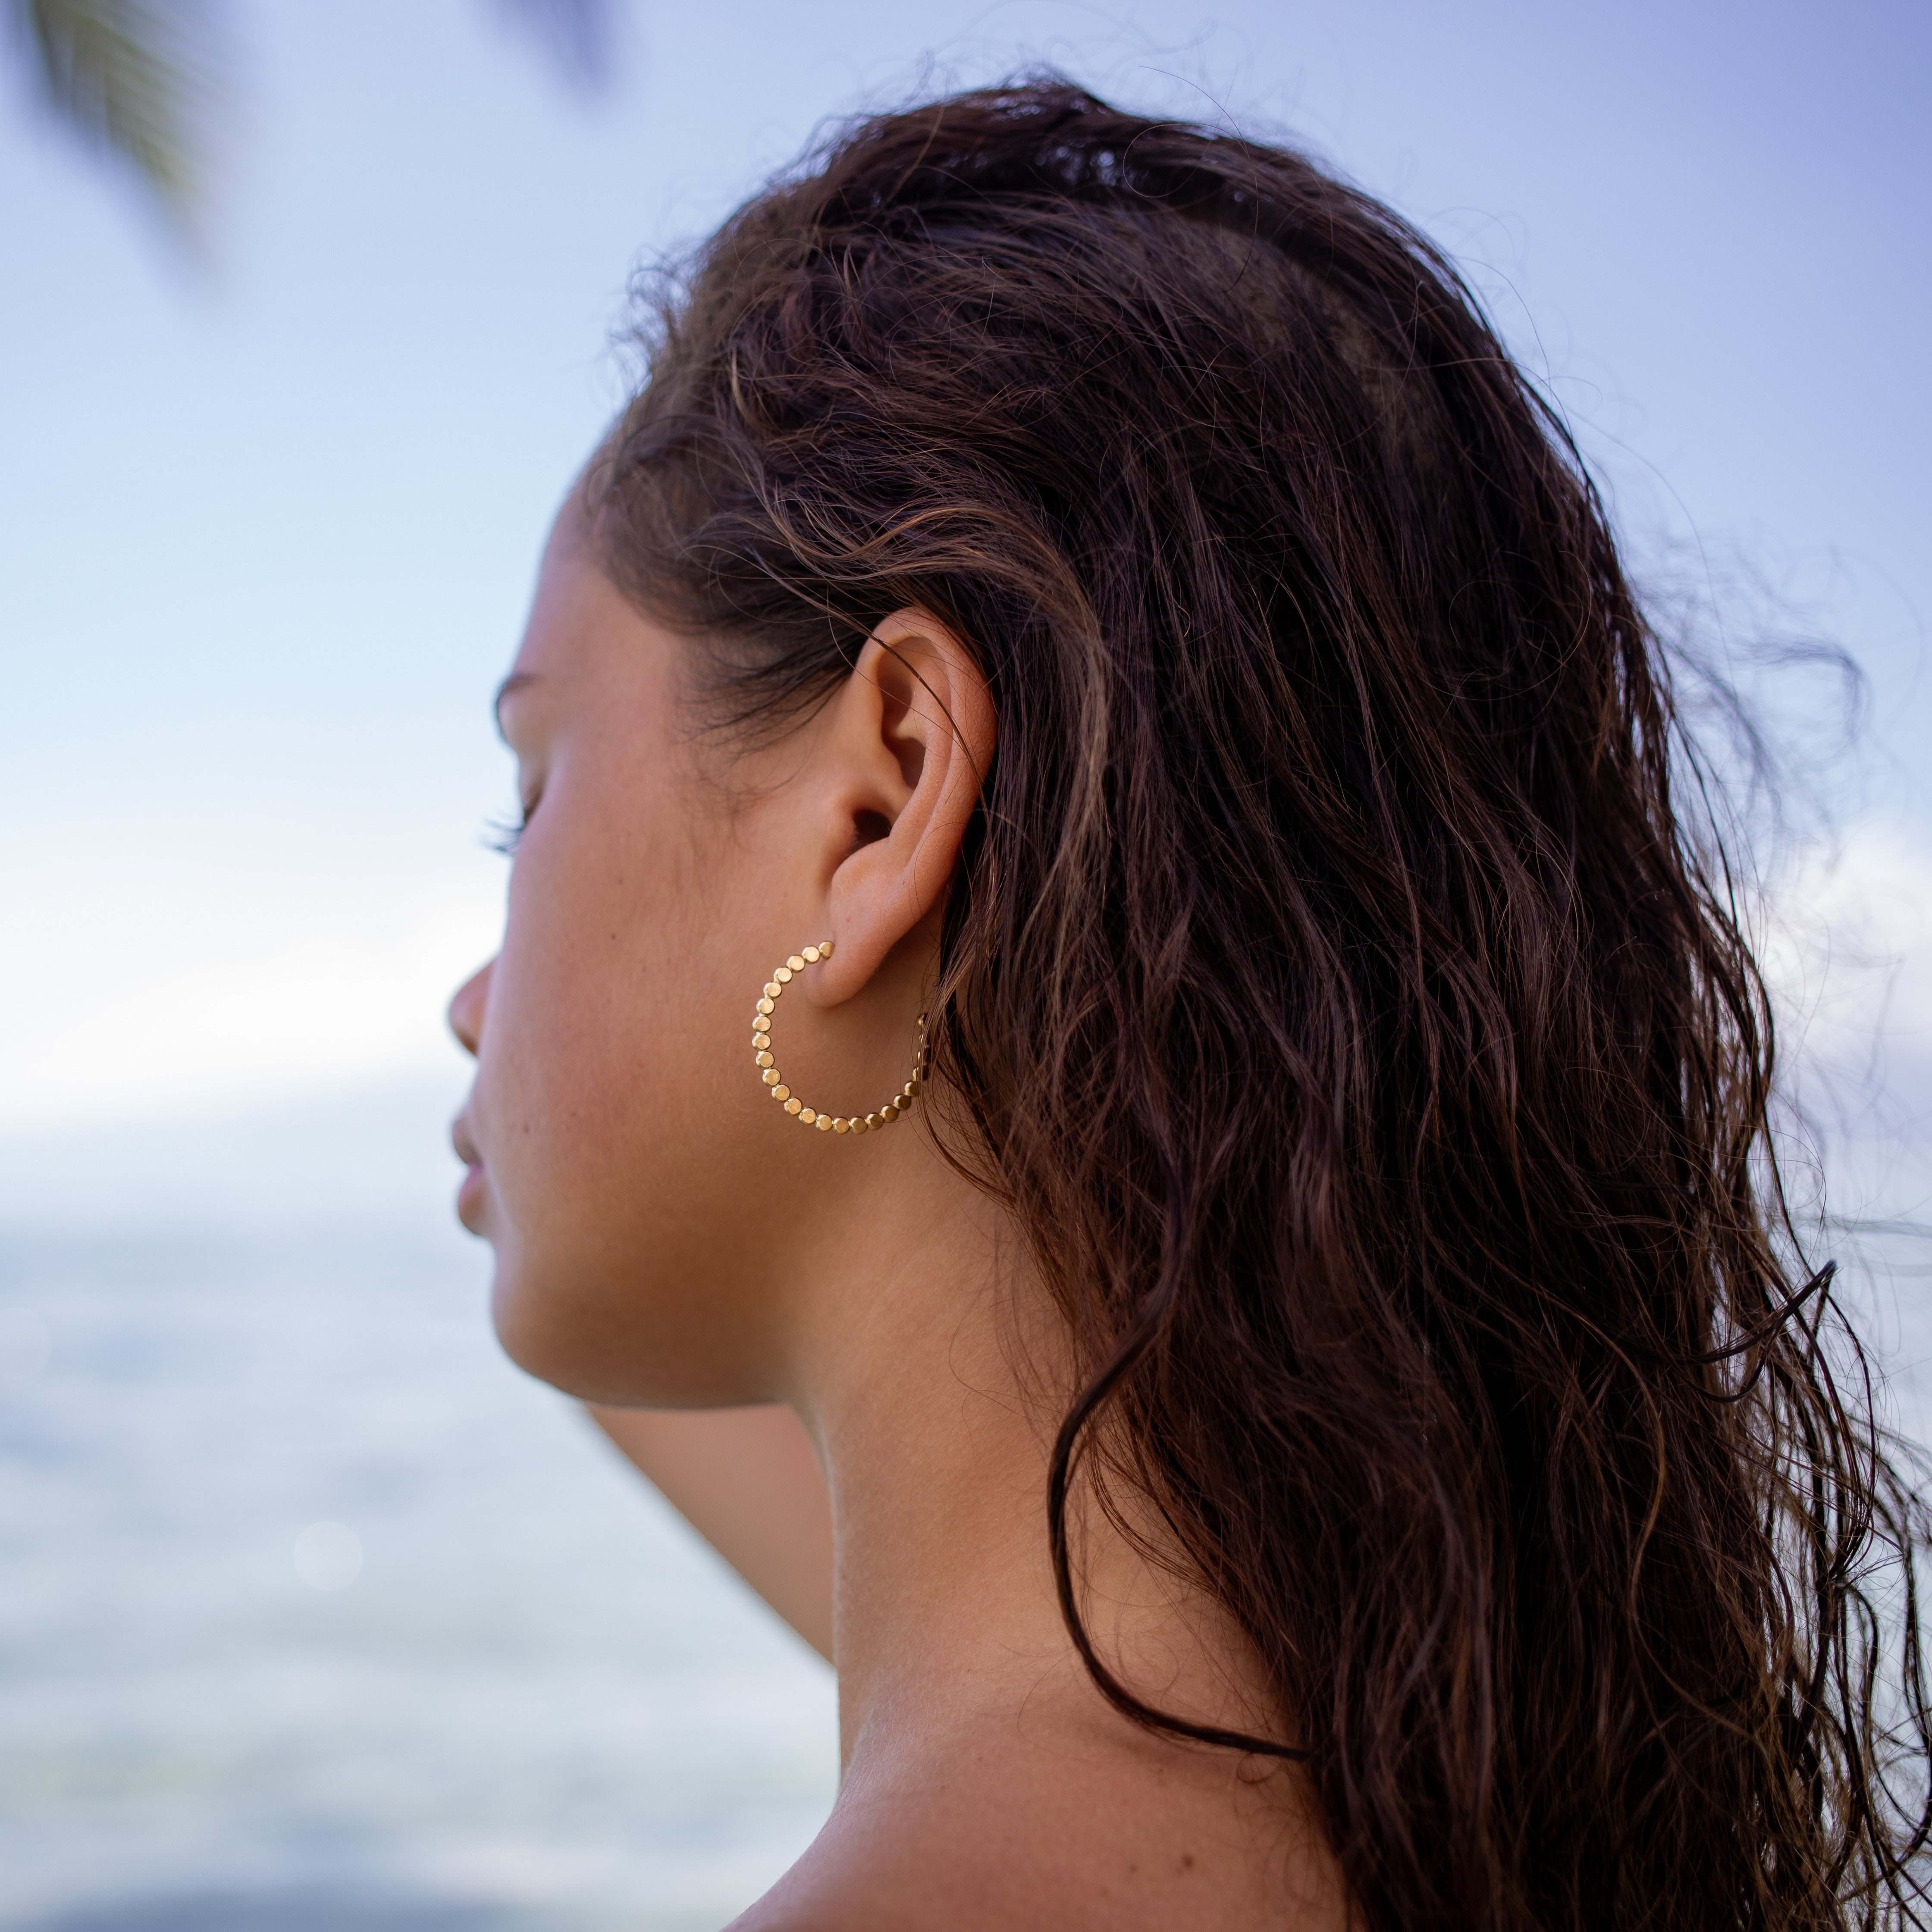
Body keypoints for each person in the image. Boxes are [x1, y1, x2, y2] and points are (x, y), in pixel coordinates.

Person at [445, 81, 1929, 1931]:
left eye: (530, 784)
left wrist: (562, 1119)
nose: (468, 991)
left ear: (884, 795)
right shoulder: (1439, 1751)